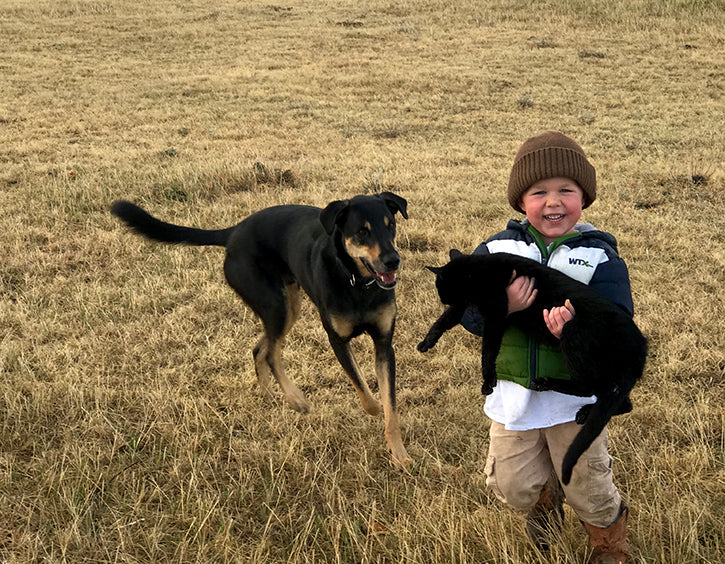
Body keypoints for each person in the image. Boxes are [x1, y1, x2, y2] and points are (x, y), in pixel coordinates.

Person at [461, 131, 633, 563]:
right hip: (514, 398)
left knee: (588, 486)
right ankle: (543, 506)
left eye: (566, 191)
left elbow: (617, 321)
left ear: (584, 198)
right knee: (514, 486)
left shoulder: (599, 256)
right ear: (521, 201)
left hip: (573, 400)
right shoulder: (497, 250)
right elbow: (468, 313)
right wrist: (503, 305)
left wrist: (577, 330)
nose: (553, 202)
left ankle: (608, 545)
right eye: (539, 192)